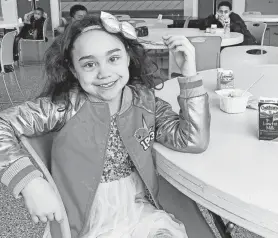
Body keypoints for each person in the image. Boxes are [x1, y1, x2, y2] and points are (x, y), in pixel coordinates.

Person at [0, 12, 210, 238]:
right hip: (85, 221)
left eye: (113, 59)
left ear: (128, 58)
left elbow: (191, 139)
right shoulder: (63, 107)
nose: (104, 73)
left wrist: (190, 77)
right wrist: (31, 183)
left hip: (139, 210)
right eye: (89, 64)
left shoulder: (146, 103)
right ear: (73, 70)